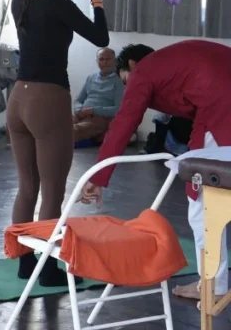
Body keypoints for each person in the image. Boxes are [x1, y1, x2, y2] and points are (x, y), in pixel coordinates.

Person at [80, 41, 231, 301]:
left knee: (204, 204)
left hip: (221, 110)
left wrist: (98, 176)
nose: (129, 88)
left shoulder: (144, 71)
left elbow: (125, 121)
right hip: (216, 107)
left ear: (131, 65)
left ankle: (213, 286)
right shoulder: (175, 62)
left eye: (125, 81)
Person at [8, 0, 109, 285]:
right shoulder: (58, 2)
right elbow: (101, 37)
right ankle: (48, 268)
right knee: (52, 188)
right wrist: (95, 0)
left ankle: (24, 262)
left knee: (27, 187)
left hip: (18, 100)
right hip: (47, 99)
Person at [72, 47, 125, 144]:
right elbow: (78, 100)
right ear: (97, 61)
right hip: (82, 113)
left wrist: (94, 110)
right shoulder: (91, 77)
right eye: (101, 59)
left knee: (74, 131)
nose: (105, 62)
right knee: (57, 126)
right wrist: (79, 109)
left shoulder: (119, 81)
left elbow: (119, 110)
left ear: (115, 61)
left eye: (108, 59)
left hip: (101, 117)